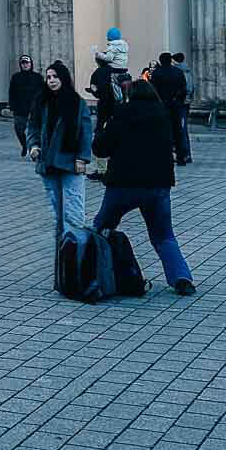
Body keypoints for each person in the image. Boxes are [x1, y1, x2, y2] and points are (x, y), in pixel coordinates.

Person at [92, 79, 196, 295]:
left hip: (123, 185)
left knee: (101, 227)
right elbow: (177, 142)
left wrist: (103, 131)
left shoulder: (122, 114)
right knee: (164, 236)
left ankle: (92, 272)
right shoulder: (163, 115)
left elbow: (100, 148)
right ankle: (182, 278)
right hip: (158, 186)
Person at [27, 61, 92, 240]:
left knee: (73, 212)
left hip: (70, 162)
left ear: (63, 78)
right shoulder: (41, 101)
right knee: (58, 215)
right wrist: (33, 146)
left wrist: (82, 158)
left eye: (55, 77)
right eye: (48, 77)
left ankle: (77, 252)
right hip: (47, 163)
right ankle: (62, 256)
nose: (51, 80)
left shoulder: (76, 102)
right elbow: (32, 126)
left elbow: (86, 131)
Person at [150, 53, 190, 166]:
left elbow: (153, 90)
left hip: (161, 105)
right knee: (178, 132)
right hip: (175, 105)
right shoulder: (178, 72)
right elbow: (183, 89)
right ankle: (181, 157)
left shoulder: (157, 73)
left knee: (161, 131)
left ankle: (163, 157)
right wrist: (178, 100)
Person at [8, 55, 42, 157]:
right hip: (20, 108)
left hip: (35, 109)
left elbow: (43, 92)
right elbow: (12, 92)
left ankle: (34, 148)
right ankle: (24, 145)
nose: (25, 65)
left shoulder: (38, 78)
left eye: (27, 63)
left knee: (35, 130)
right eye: (23, 63)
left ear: (31, 64)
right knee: (19, 129)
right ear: (20, 65)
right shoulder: (16, 77)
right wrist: (12, 105)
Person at [172, 52, 194, 165]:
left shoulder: (180, 71)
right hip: (185, 102)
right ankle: (186, 154)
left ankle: (184, 154)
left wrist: (186, 97)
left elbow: (188, 88)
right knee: (182, 128)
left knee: (181, 128)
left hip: (181, 103)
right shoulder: (188, 71)